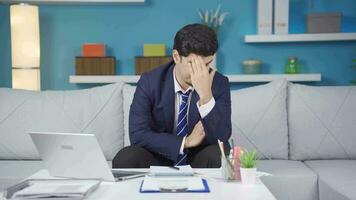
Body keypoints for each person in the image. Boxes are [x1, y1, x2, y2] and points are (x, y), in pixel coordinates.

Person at [113, 23, 231, 168]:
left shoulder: (219, 83)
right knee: (126, 158)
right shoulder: (150, 82)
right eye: (193, 64)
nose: (200, 72)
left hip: (198, 159)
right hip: (159, 157)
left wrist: (206, 96)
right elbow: (138, 135)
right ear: (176, 57)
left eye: (206, 64)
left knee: (221, 154)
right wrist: (185, 142)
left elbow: (222, 139)